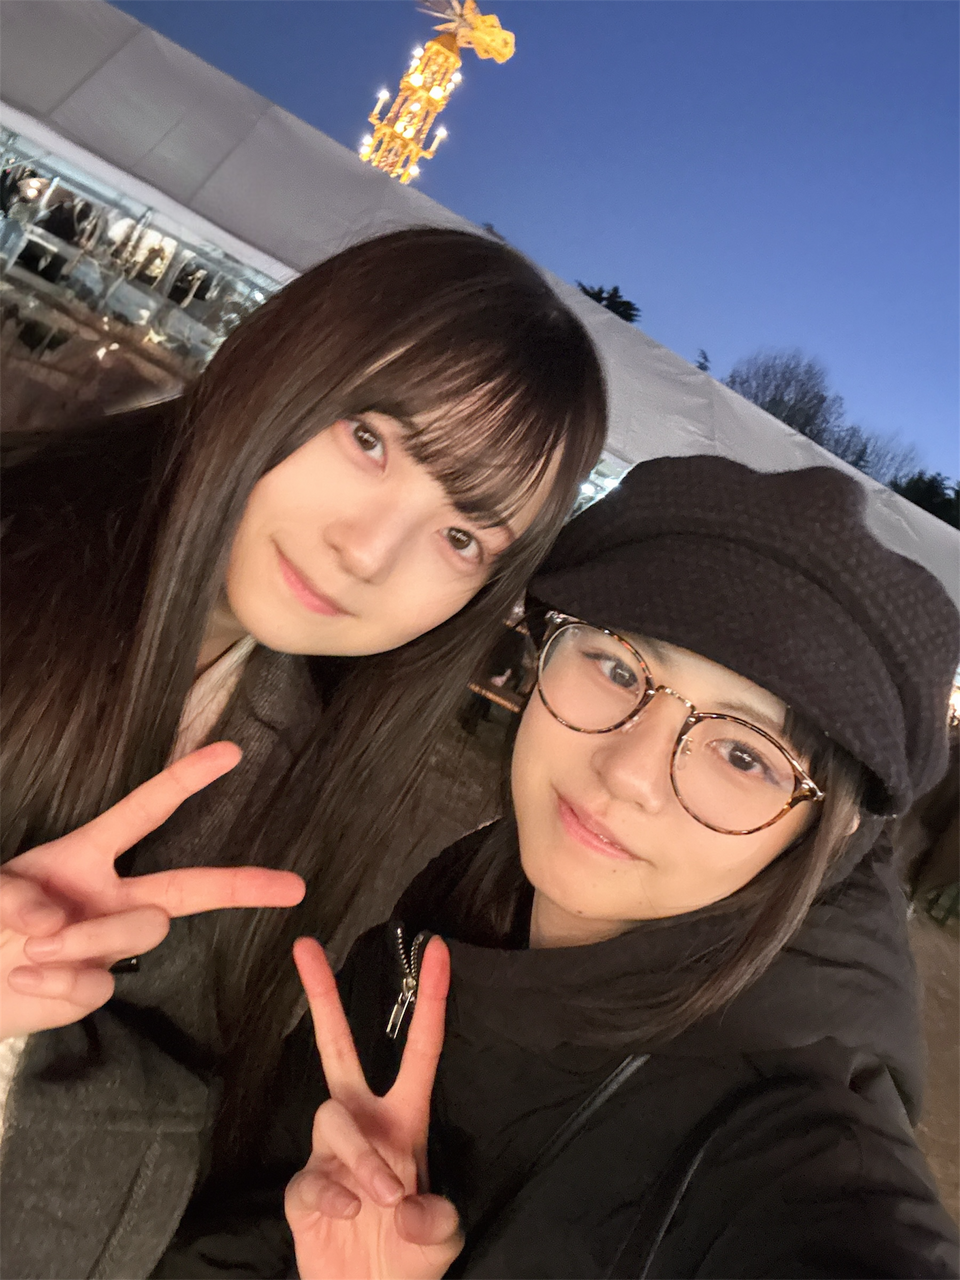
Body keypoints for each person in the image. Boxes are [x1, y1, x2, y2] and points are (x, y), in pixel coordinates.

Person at [165, 455, 960, 1278]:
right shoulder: (470, 902)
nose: (629, 772)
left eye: (743, 754)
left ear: (831, 834)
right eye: (618, 668)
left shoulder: (799, 1160)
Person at [0, 226, 606, 1279]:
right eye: (370, 439)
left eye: (462, 537)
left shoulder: (288, 774)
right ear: (284, 360)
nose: (367, 553)